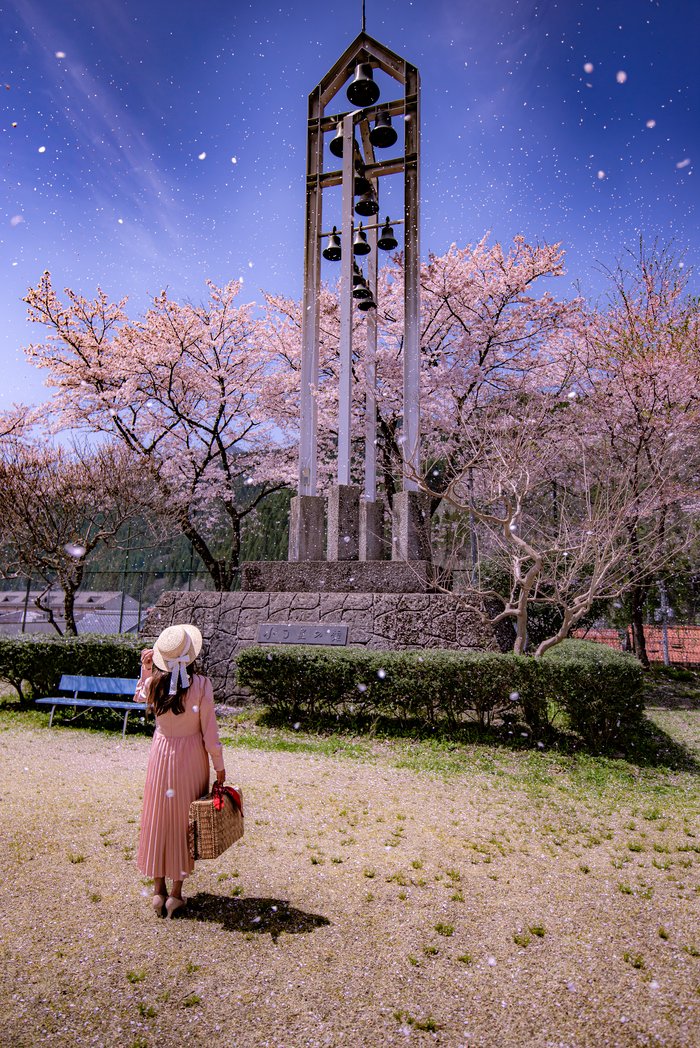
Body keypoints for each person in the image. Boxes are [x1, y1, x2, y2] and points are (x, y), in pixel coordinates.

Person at [134, 623, 225, 917]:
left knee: (158, 816)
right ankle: (175, 894)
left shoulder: (154, 684)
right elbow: (210, 733)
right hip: (191, 756)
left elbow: (139, 696)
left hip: (161, 754)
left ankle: (157, 891)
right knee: (184, 821)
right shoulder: (200, 685)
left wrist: (146, 670)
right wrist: (219, 766)